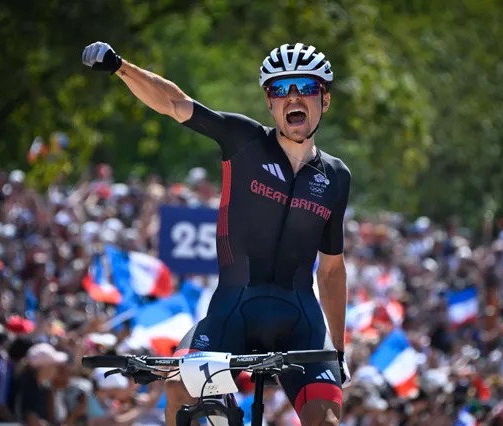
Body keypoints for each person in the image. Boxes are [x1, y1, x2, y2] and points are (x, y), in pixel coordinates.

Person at [82, 41, 352, 426]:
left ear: (324, 99)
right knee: (180, 389)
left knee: (325, 422)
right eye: (280, 89)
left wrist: (339, 350)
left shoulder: (337, 176)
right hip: (233, 310)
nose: (293, 98)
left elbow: (331, 271)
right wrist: (120, 67)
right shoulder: (243, 140)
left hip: (300, 322)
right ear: (269, 102)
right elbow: (175, 103)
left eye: (305, 88)